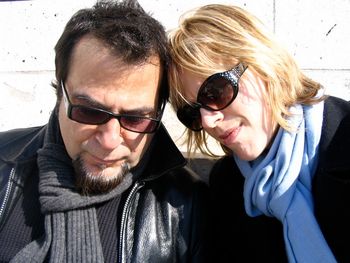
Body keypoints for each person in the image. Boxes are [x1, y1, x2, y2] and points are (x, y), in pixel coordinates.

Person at [0, 0, 209, 262]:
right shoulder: (4, 163)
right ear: (59, 93)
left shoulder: (187, 206)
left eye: (136, 118)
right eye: (90, 112)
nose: (110, 141)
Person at [168, 4, 350, 263]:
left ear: (262, 63)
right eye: (193, 112)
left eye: (215, 93)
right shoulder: (228, 186)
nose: (208, 121)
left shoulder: (343, 137)